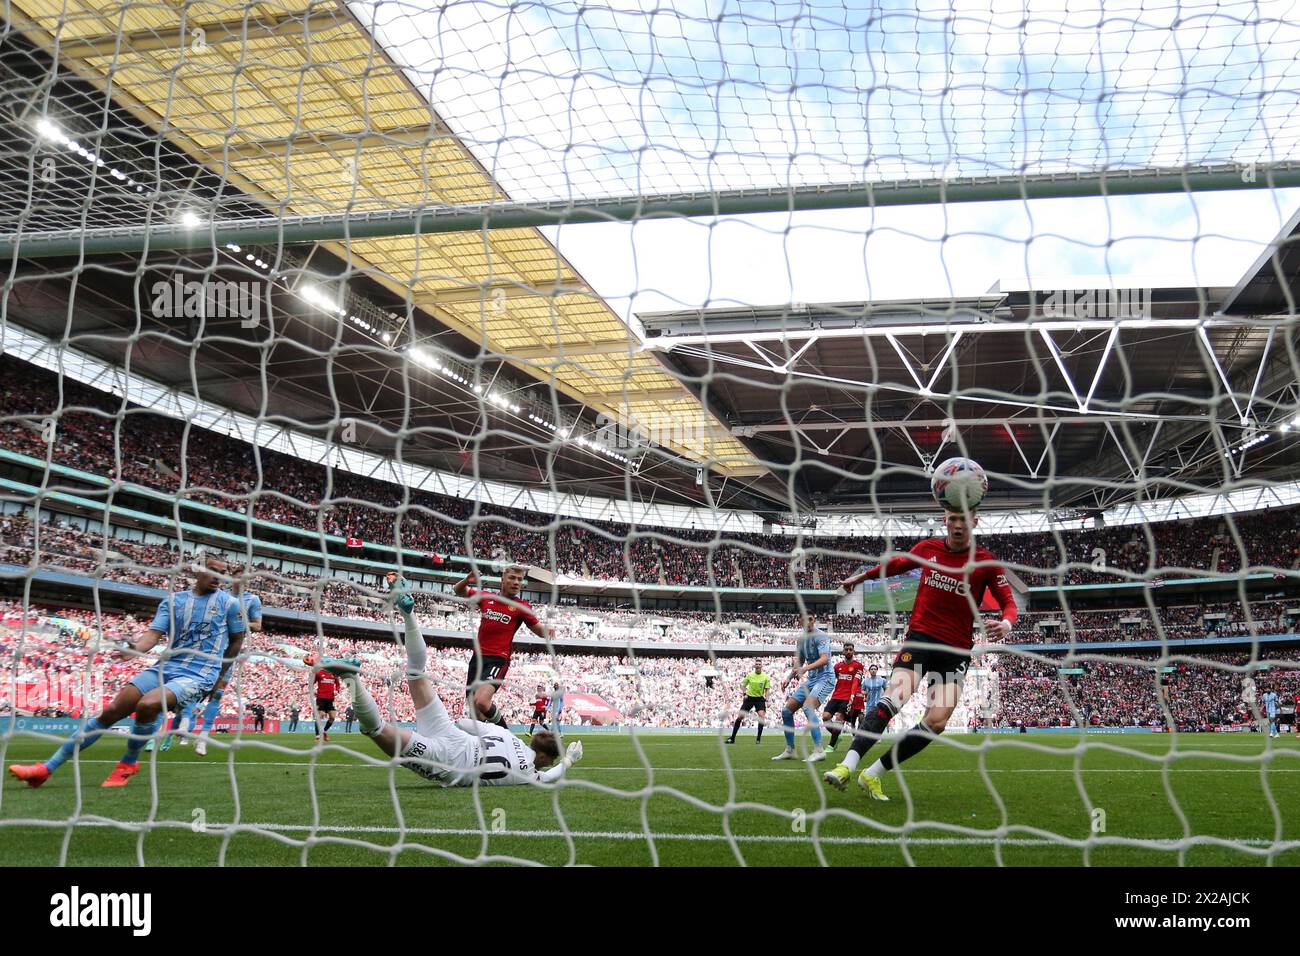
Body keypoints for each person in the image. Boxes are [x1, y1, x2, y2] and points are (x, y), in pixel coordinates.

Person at [824, 507, 1016, 799]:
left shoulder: (987, 562)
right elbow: (897, 564)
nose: (957, 524)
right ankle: (846, 765)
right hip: (920, 640)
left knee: (937, 722)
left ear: (974, 522)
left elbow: (1009, 603)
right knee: (894, 698)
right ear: (945, 521)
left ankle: (873, 774)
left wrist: (1005, 623)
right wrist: (861, 578)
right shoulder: (928, 548)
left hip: (955, 651)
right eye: (952, 518)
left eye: (963, 519)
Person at [9, 554, 246, 789]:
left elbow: (237, 641)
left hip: (199, 674)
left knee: (148, 705)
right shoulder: (174, 601)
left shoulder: (230, 604)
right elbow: (153, 635)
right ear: (197, 570)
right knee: (111, 711)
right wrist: (136, 650)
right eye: (214, 570)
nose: (219, 577)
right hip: (166, 667)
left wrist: (218, 676)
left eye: (223, 573)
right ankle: (45, 769)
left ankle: (129, 762)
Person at [322, 577, 582, 787]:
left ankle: (408, 615)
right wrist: (570, 760)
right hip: (449, 761)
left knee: (416, 673)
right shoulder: (530, 775)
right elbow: (551, 776)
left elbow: (464, 722)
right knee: (375, 729)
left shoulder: (506, 736)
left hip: (453, 733)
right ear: (544, 758)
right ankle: (349, 676)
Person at [450, 566, 550, 728]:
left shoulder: (521, 606)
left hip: (498, 659)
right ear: (502, 580)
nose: (516, 582)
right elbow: (458, 590)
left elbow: (539, 630)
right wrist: (467, 581)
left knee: (482, 701)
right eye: (512, 578)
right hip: (477, 660)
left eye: (519, 579)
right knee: (476, 712)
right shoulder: (485, 597)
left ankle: (507, 735)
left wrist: (549, 629)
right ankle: (486, 745)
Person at [195, 567, 262, 756]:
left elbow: (257, 625)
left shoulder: (252, 600)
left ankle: (203, 737)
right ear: (232, 578)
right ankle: (178, 728)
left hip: (231, 652)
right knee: (194, 692)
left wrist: (238, 621)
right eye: (239, 577)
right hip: (209, 650)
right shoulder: (219, 595)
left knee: (217, 694)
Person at [771, 614, 832, 763]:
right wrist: (788, 678)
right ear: (800, 622)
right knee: (786, 711)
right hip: (812, 680)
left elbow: (825, 659)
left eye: (810, 618)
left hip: (826, 678)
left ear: (814, 620)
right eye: (804, 619)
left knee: (807, 707)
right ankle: (790, 750)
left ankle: (819, 750)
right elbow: (799, 663)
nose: (808, 622)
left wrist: (805, 669)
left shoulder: (821, 636)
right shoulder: (801, 640)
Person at [822, 643, 864, 752]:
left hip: (848, 697)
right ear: (843, 651)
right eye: (846, 649)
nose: (849, 651)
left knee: (839, 718)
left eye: (851, 649)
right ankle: (837, 736)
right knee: (825, 717)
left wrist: (852, 696)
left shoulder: (858, 666)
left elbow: (855, 681)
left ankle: (831, 746)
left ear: (853, 652)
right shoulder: (837, 667)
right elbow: (831, 679)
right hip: (836, 696)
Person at [726, 662, 771, 744]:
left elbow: (767, 690)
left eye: (759, 664)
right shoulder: (750, 675)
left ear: (761, 666)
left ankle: (758, 739)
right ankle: (732, 738)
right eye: (756, 664)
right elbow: (742, 686)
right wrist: (744, 693)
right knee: (740, 717)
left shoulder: (766, 677)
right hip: (749, 698)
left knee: (762, 717)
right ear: (754, 666)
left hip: (759, 699)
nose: (757, 665)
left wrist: (767, 700)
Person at [312, 665, 341, 741]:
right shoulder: (319, 673)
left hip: (330, 699)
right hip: (321, 698)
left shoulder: (334, 674)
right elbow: (311, 682)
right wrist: (313, 690)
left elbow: (337, 684)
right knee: (319, 716)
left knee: (332, 717)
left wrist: (337, 690)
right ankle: (317, 736)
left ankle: (324, 731)